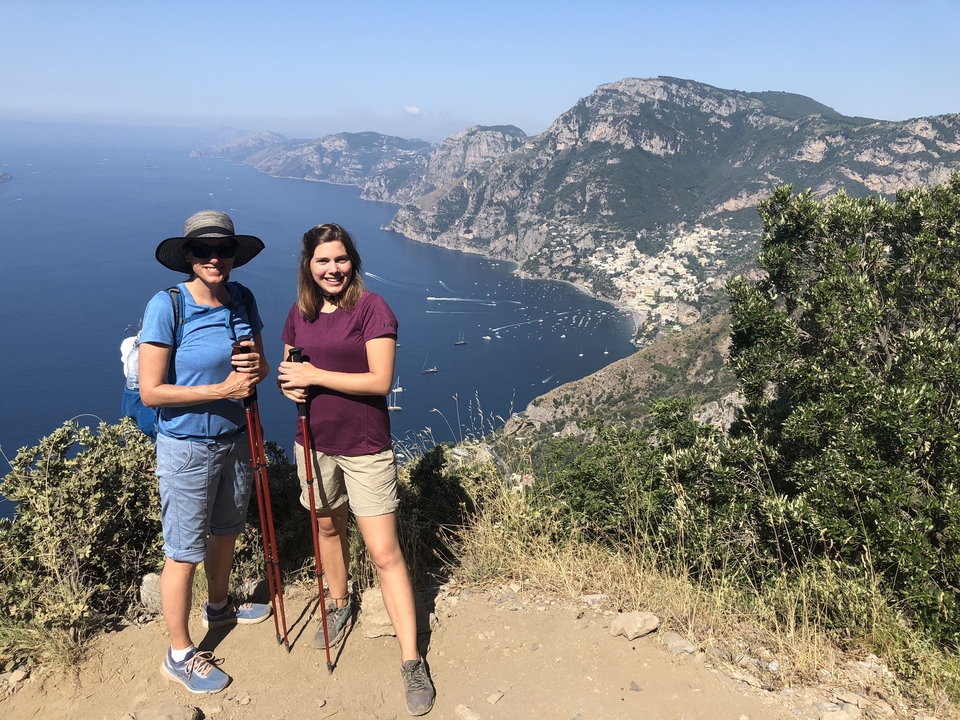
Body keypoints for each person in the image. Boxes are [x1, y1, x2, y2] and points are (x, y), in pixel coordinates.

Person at [277, 223, 435, 716]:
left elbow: (380, 381)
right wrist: (290, 385)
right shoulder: (298, 315)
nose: (333, 269)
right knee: (327, 527)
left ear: (353, 262)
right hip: (313, 442)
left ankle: (412, 660)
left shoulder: (371, 308)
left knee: (383, 551)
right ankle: (339, 602)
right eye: (323, 261)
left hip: (364, 447)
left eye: (340, 259)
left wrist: (314, 375)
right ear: (308, 265)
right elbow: (288, 371)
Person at [139, 209, 272, 694]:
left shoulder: (242, 298)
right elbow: (153, 392)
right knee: (182, 553)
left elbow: (257, 367)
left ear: (236, 255)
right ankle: (179, 653)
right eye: (202, 250)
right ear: (187, 256)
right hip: (187, 448)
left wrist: (254, 369)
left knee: (225, 532)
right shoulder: (167, 306)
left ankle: (219, 605)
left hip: (234, 439)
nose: (214, 258)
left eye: (224, 249)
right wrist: (222, 389)